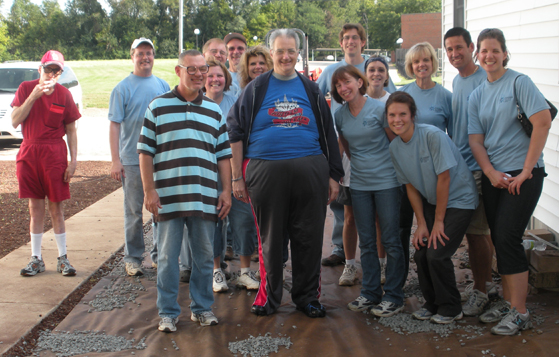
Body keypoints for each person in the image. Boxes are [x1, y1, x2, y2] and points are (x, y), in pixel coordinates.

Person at [227, 28, 343, 318]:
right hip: (266, 173)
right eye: (280, 51)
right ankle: (269, 298)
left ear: (298, 52)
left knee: (310, 237)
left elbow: (329, 133)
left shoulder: (311, 89)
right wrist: (236, 177)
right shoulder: (255, 89)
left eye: (291, 50)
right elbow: (235, 132)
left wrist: (333, 175)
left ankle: (308, 298)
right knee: (270, 238)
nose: (286, 56)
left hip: (310, 172)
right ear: (272, 52)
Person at [138, 50, 232, 332]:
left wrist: (226, 191)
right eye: (192, 69)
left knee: (204, 256)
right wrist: (149, 190)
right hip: (167, 198)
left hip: (204, 197)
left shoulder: (214, 111)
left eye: (203, 69)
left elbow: (223, 155)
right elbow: (145, 152)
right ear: (178, 71)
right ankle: (167, 312)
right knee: (167, 258)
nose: (199, 75)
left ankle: (202, 308)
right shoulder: (157, 107)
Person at [468, 28, 551, 335]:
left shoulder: (519, 82)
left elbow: (542, 121)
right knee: (499, 238)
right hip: (495, 177)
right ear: (478, 55)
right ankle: (507, 300)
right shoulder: (478, 94)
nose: (489, 56)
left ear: (504, 53)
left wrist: (527, 170)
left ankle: (520, 312)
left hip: (523, 174)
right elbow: (475, 140)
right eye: (484, 51)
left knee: (507, 237)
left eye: (494, 50)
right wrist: (489, 172)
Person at [387, 92, 478, 324]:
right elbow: (410, 187)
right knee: (421, 252)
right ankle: (432, 303)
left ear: (413, 115)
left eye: (403, 114)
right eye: (392, 115)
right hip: (431, 202)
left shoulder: (432, 136)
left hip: (459, 200)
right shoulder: (395, 147)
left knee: (437, 253)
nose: (397, 120)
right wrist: (422, 224)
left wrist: (438, 222)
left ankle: (451, 307)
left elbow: (444, 179)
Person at [331, 65, 405, 317]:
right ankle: (370, 293)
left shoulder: (379, 108)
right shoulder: (340, 115)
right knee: (367, 242)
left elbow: (394, 142)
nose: (344, 88)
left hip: (387, 183)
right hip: (359, 185)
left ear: (359, 82)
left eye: (347, 82)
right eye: (339, 85)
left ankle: (394, 295)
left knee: (391, 240)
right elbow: (348, 147)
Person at [443, 27, 497, 315]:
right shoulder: (457, 80)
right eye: (449, 49)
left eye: (459, 48)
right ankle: (485, 283)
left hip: (481, 166)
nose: (454, 54)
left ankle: (481, 290)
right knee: (476, 232)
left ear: (472, 48)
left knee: (477, 232)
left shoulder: (485, 78)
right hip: (461, 165)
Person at [13, 50, 81, 277]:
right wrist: (33, 96)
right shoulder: (25, 88)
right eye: (48, 69)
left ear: (61, 73)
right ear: (39, 69)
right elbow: (14, 121)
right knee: (35, 208)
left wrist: (73, 162)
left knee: (56, 207)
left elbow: (71, 130)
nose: (51, 74)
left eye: (56, 70)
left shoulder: (64, 95)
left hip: (54, 154)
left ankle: (63, 258)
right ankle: (36, 258)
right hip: (30, 152)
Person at [109, 37, 170, 276]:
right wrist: (115, 160)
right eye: (140, 53)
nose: (145, 57)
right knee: (133, 211)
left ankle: (158, 255)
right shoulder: (122, 88)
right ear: (132, 56)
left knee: (160, 209)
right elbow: (114, 126)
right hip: (132, 161)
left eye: (149, 53)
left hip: (159, 160)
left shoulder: (163, 86)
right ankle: (133, 257)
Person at [398, 42, 453, 284]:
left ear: (433, 63)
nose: (422, 65)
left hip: (434, 175)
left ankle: (432, 283)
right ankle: (398, 278)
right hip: (409, 171)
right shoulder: (404, 94)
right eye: (417, 61)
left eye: (426, 60)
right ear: (410, 66)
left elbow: (455, 136)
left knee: (431, 229)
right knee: (402, 228)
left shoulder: (445, 96)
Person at [316, 23, 369, 269]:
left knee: (370, 199)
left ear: (363, 42)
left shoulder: (371, 67)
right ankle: (340, 248)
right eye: (346, 38)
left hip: (368, 141)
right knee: (340, 200)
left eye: (355, 38)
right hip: (337, 142)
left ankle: (374, 252)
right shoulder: (331, 70)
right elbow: (315, 99)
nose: (351, 41)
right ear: (341, 43)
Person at [224, 32, 247, 97]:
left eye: (240, 48)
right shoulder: (221, 78)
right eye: (231, 49)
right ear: (226, 53)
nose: (236, 52)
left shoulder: (253, 76)